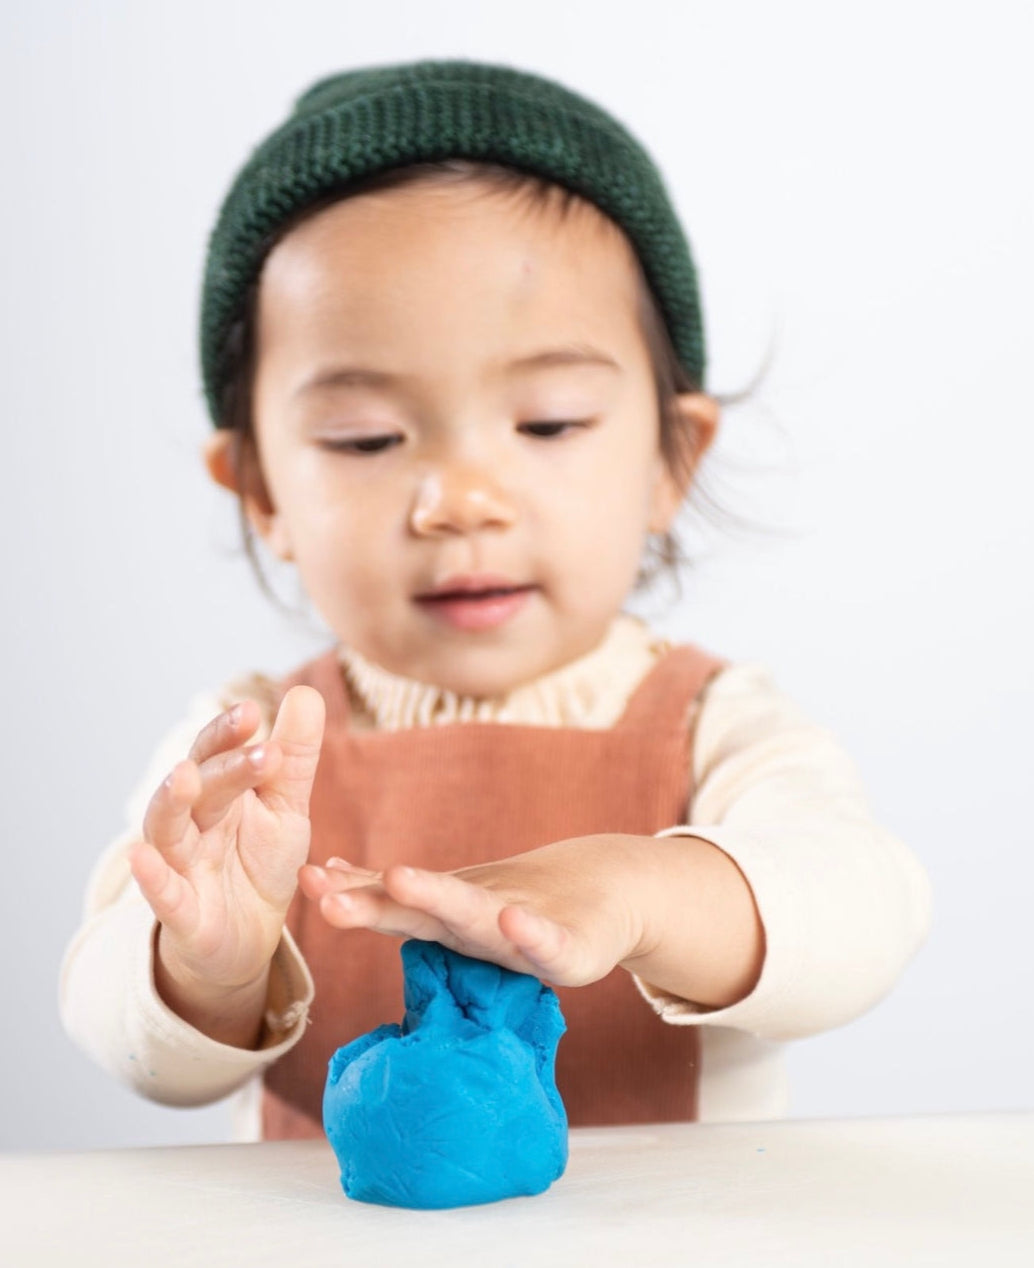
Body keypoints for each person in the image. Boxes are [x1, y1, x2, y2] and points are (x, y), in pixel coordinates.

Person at [60, 59, 931, 1142]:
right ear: (262, 489)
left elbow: (868, 908)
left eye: (550, 420)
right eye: (366, 438)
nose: (460, 501)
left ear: (672, 455)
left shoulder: (716, 725)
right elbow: (114, 1022)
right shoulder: (244, 750)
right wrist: (204, 962)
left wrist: (645, 887)